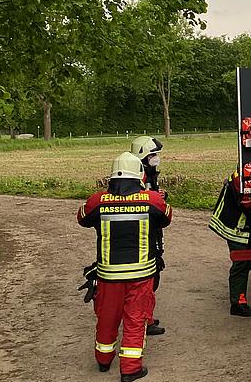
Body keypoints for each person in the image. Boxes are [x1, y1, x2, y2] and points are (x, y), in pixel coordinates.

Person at [77, 152, 172, 381]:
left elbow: (82, 218)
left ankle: (103, 360)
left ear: (111, 178)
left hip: (108, 274)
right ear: (139, 176)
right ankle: (130, 369)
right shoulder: (151, 199)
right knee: (135, 319)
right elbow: (166, 218)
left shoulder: (97, 201)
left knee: (107, 317)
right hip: (141, 274)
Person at [209, 170, 251, 317]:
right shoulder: (241, 180)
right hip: (235, 227)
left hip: (243, 224)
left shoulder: (248, 171)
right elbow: (250, 206)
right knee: (241, 261)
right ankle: (238, 304)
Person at [129, 136, 167, 336]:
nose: (156, 158)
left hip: (151, 229)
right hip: (145, 233)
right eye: (153, 155)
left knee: (153, 276)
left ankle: (147, 317)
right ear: (143, 156)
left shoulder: (148, 174)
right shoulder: (138, 176)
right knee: (149, 278)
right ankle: (144, 320)